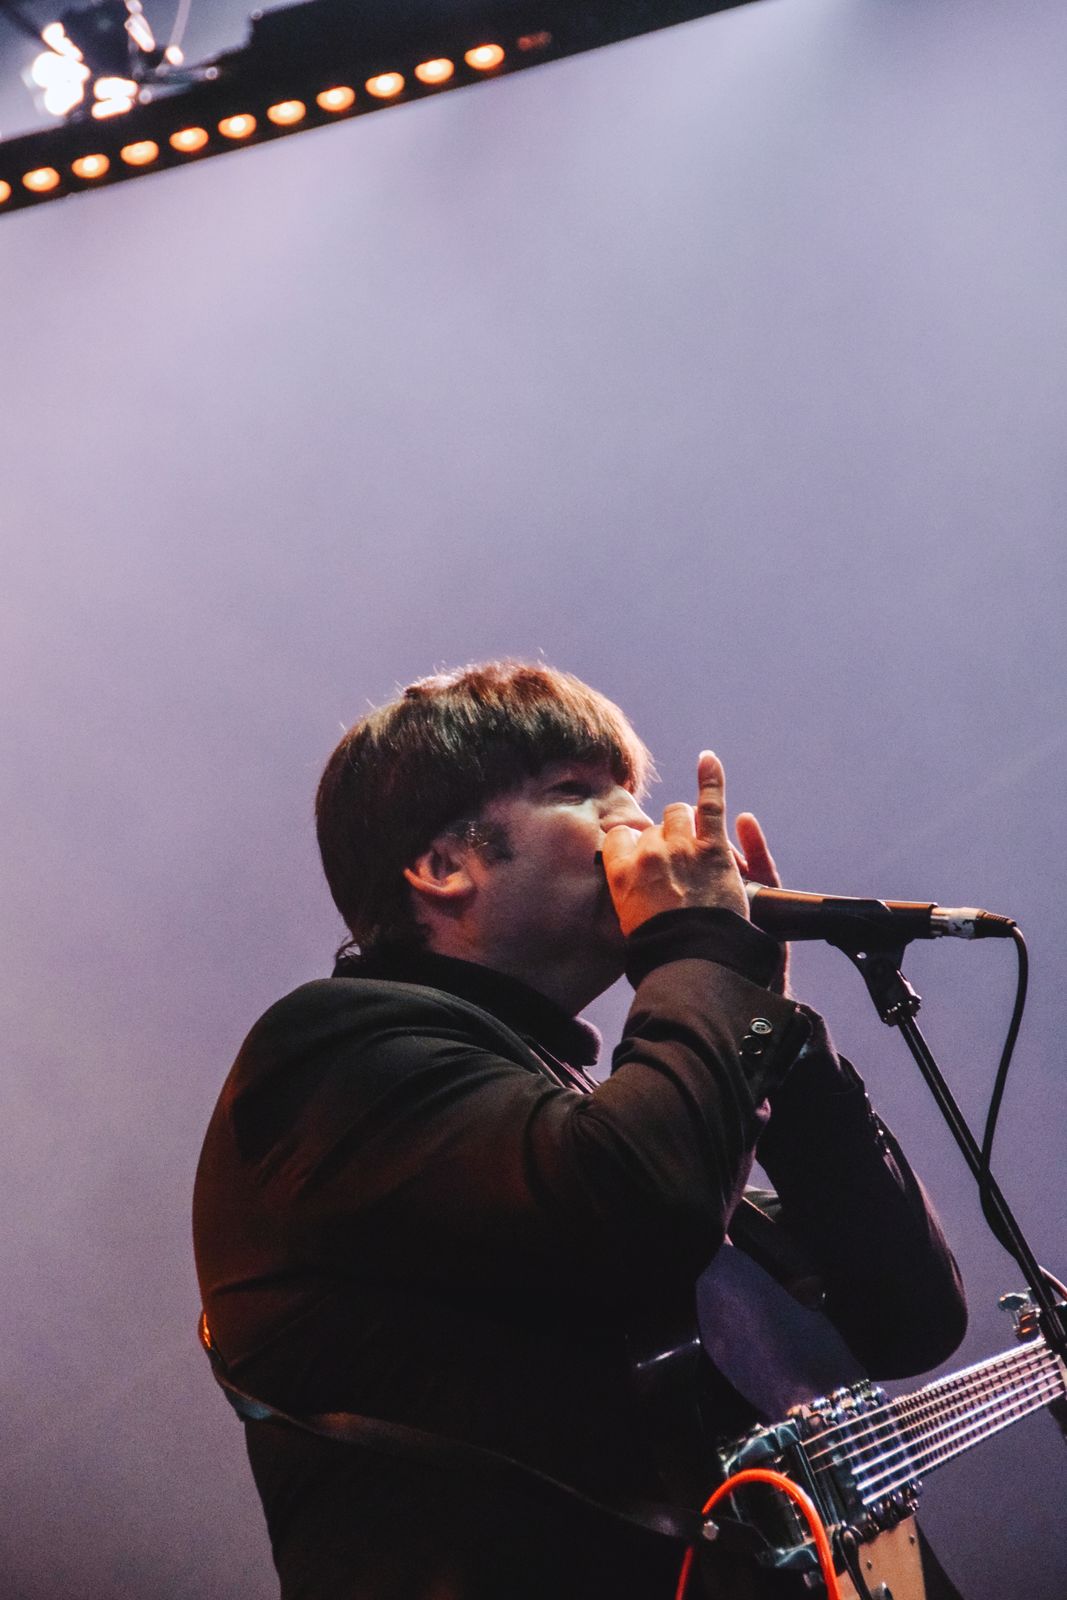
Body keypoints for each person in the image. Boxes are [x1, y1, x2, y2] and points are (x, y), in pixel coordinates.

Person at [193, 661, 968, 1599]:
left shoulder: (582, 1110)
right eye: (575, 791)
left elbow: (908, 1319)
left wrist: (765, 1019)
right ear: (443, 866)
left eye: (627, 791)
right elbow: (637, 1204)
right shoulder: (328, 1054)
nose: (634, 821)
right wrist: (701, 952)